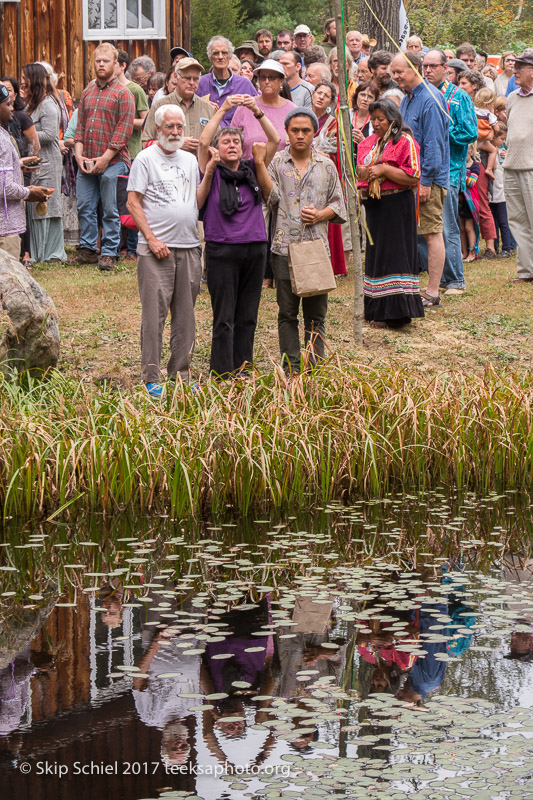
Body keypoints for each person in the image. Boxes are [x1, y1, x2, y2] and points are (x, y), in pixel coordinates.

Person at [127, 105, 219, 397]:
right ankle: (151, 376)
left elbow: (196, 201)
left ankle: (181, 372)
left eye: (180, 126)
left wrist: (209, 174)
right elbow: (132, 203)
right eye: (170, 127)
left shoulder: (190, 161)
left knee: (186, 315)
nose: (176, 132)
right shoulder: (145, 159)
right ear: (157, 129)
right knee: (154, 316)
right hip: (156, 250)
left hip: (189, 246)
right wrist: (152, 240)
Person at [255, 106, 346, 374]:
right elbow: (269, 198)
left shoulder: (326, 165)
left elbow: (339, 203)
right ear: (287, 132)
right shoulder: (277, 163)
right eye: (295, 130)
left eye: (306, 130)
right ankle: (292, 366)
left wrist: (321, 214)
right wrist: (260, 164)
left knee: (316, 315)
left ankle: (315, 367)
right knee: (287, 313)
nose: (300, 135)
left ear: (314, 132)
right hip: (284, 248)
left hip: (316, 249)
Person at [198, 96, 280, 377]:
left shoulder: (253, 168)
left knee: (248, 315)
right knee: (224, 317)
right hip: (222, 250)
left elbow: (275, 139)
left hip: (255, 248)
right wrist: (223, 109)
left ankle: (243, 368)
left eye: (236, 142)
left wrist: (257, 111)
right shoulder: (212, 171)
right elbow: (202, 141)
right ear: (217, 149)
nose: (232, 145)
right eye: (226, 142)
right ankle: (221, 372)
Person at [356, 98, 424, 328]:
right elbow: (361, 175)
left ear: (392, 120)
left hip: (397, 203)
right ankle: (377, 308)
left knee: (396, 254)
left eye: (380, 119)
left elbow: (413, 176)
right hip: (374, 205)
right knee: (378, 254)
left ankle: (398, 313)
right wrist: (365, 177)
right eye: (373, 118)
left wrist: (384, 169)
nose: (375, 123)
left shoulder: (404, 142)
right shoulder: (366, 144)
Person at [392, 51, 450, 309]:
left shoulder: (431, 99)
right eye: (393, 73)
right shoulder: (407, 98)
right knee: (412, 233)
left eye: (399, 72)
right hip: (408, 176)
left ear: (415, 68)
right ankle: (411, 285)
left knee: (431, 232)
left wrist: (425, 181)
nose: (395, 77)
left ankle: (433, 291)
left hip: (428, 179)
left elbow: (434, 145)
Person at [73, 43, 135, 270]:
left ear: (116, 65)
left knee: (110, 209)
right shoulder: (87, 92)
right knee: (85, 207)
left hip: (114, 162)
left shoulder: (124, 94)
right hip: (86, 161)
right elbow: (80, 128)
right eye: (98, 60)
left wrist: (105, 159)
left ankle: (109, 252)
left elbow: (123, 132)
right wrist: (78, 156)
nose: (101, 64)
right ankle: (88, 249)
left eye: (106, 61)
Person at [422, 49, 478, 295]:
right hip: (425, 171)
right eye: (425, 66)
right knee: (430, 228)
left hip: (451, 170)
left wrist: (442, 134)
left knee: (447, 226)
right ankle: (441, 278)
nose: (428, 70)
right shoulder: (421, 94)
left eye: (433, 66)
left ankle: (456, 280)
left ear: (446, 69)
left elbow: (470, 132)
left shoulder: (458, 97)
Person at [20, 63, 66, 264]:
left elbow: (49, 134)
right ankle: (36, 250)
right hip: (35, 162)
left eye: (24, 78)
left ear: (34, 80)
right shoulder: (32, 104)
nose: (22, 81)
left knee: (45, 203)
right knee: (35, 202)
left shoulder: (48, 104)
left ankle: (50, 252)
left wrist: (24, 133)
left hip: (48, 162)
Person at [0, 85, 50, 259]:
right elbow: (5, 188)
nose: (12, 108)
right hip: (5, 232)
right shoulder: (2, 141)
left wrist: (18, 165)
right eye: (7, 105)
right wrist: (30, 193)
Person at [143, 57, 216, 154]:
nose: (191, 83)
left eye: (195, 79)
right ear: (176, 76)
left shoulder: (208, 109)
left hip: (200, 168)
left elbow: (217, 143)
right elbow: (145, 144)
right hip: (167, 166)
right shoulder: (160, 106)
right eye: (186, 78)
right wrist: (177, 144)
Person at [116, 50, 149, 261]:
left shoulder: (135, 90)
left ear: (122, 66)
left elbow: (145, 120)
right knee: (115, 203)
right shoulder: (106, 89)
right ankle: (118, 247)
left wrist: (124, 121)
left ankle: (134, 247)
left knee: (132, 201)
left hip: (133, 152)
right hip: (112, 154)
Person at [311, 81, 347, 277]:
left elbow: (339, 153)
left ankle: (331, 265)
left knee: (326, 216)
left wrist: (320, 153)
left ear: (331, 102)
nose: (321, 97)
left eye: (326, 95)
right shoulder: (302, 116)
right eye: (319, 92)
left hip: (324, 177)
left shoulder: (333, 123)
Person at [503, 49, 533, 283]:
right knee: (518, 222)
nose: (515, 70)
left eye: (520, 67)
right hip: (512, 167)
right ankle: (526, 272)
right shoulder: (512, 97)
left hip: (532, 168)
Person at [231, 60, 295, 159]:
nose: (267, 81)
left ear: (281, 81)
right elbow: (232, 139)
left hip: (282, 171)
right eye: (263, 78)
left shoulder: (292, 110)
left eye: (272, 78)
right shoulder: (246, 106)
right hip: (249, 170)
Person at [198, 37, 258, 126]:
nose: (220, 57)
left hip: (236, 137)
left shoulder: (245, 85)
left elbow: (256, 113)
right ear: (210, 57)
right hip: (207, 137)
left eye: (224, 53)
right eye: (216, 53)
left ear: (230, 56)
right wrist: (202, 104)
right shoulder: (200, 83)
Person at [489, 123, 513, 258]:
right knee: (494, 222)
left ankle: (507, 247)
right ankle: (496, 246)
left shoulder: (503, 153)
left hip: (501, 194)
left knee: (504, 222)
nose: (503, 142)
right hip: (491, 195)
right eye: (502, 139)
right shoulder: (490, 152)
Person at [459, 143, 481, 261]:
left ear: (471, 151)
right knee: (461, 227)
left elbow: (472, 182)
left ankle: (472, 252)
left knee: (469, 226)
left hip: (470, 202)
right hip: (460, 201)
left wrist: (461, 176)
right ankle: (464, 252)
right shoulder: (459, 165)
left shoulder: (475, 167)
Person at [351, 81, 379, 154]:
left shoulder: (377, 122)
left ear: (375, 101)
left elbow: (379, 150)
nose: (365, 99)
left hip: (364, 163)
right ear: (356, 96)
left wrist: (364, 142)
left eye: (370, 97)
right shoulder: (345, 115)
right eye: (362, 95)